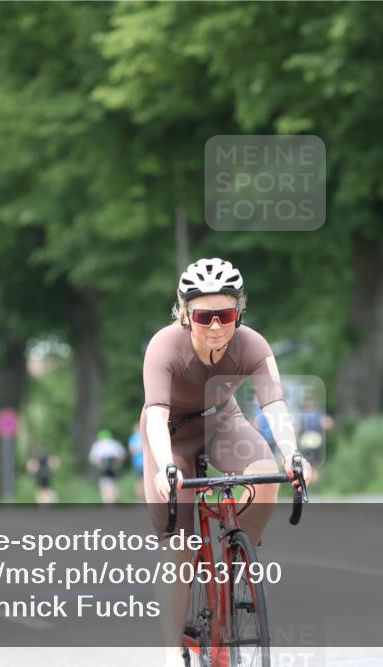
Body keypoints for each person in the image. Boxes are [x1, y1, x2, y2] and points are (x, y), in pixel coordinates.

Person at [141, 257, 311, 667]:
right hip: (172, 437)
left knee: (267, 477)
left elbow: (275, 406)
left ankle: (238, 555)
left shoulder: (253, 345)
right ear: (185, 315)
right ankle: (170, 650)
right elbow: (156, 419)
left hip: (222, 423)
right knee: (179, 548)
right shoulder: (163, 347)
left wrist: (292, 453)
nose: (216, 325)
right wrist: (166, 466)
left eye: (226, 314)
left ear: (240, 312)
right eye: (204, 316)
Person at [89, 429, 126, 504]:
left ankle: (109, 500)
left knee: (105, 483)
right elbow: (122, 455)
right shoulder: (114, 443)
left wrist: (98, 463)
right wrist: (119, 463)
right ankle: (113, 498)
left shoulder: (97, 445)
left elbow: (92, 458)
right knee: (112, 483)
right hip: (113, 464)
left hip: (104, 465)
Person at [127, 423, 145, 501]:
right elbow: (131, 451)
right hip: (138, 462)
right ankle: (141, 498)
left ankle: (143, 498)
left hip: (143, 463)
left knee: (142, 481)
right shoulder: (134, 438)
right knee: (140, 481)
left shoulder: (143, 437)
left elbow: (131, 451)